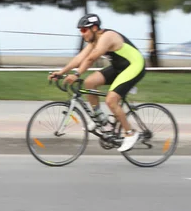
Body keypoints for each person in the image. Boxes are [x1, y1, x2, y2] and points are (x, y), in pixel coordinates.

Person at [48, 14, 146, 152]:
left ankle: (130, 133)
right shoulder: (94, 41)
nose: (82, 34)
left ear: (94, 28)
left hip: (134, 66)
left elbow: (91, 58)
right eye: (80, 31)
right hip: (119, 68)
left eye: (83, 30)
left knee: (111, 100)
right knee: (89, 82)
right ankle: (100, 120)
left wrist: (76, 74)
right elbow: (80, 58)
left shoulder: (107, 37)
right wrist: (61, 71)